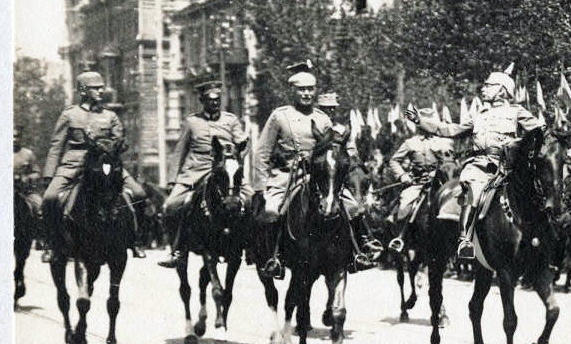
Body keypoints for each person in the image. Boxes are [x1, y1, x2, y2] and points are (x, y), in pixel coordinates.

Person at [252, 63, 377, 277]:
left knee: (353, 206)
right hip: (287, 175)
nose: (307, 94)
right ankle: (274, 257)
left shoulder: (322, 118)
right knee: (273, 210)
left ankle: (358, 251)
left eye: (310, 89)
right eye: (302, 90)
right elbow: (262, 152)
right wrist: (260, 186)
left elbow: (335, 148)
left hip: (321, 175)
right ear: (293, 91)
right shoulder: (279, 116)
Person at [404, 70, 544, 259]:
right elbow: (451, 129)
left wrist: (520, 144)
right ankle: (465, 240)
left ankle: (543, 241)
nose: (483, 88)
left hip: (508, 165)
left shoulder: (516, 111)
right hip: (479, 165)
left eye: (489, 86)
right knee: (474, 190)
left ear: (502, 90)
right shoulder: (479, 115)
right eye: (484, 85)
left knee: (536, 191)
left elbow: (538, 130)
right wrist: (421, 121)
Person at [42, 71, 149, 261]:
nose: (101, 90)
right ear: (83, 90)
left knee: (139, 194)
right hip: (74, 163)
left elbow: (120, 141)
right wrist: (49, 175)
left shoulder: (110, 116)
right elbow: (56, 145)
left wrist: (116, 146)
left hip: (105, 164)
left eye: (101, 87)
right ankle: (51, 244)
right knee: (49, 198)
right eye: (96, 87)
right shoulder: (70, 115)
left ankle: (136, 239)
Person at [159, 80, 251, 269]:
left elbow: (242, 141)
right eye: (210, 100)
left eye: (217, 100)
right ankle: (176, 250)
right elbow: (179, 151)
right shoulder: (192, 122)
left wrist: (240, 147)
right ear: (203, 101)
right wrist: (172, 179)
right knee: (171, 205)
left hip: (224, 171)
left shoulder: (231, 120)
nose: (215, 103)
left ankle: (253, 248)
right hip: (195, 171)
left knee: (252, 200)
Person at [384, 127, 455, 251]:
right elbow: (394, 161)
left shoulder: (443, 142)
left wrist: (440, 170)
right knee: (405, 204)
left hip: (440, 181)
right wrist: (402, 175)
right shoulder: (410, 143)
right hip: (416, 182)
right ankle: (400, 238)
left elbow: (450, 161)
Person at [15, 125, 43, 221]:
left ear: (21, 137)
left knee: (40, 207)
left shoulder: (28, 154)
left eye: (16, 136)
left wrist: (28, 178)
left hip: (25, 192)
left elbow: (37, 173)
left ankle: (38, 233)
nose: (14, 139)